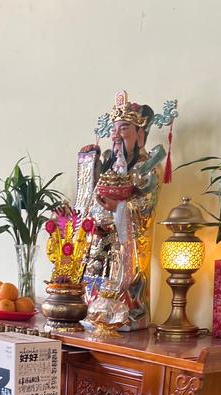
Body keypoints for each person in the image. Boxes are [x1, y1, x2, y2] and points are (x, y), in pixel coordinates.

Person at [75, 90, 169, 331]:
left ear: (140, 134)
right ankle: (95, 311)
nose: (116, 135)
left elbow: (145, 209)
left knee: (123, 281)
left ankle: (127, 314)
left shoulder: (147, 168)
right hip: (102, 238)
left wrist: (119, 207)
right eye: (114, 129)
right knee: (95, 278)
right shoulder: (110, 162)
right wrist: (88, 164)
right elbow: (91, 196)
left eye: (124, 128)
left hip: (128, 242)